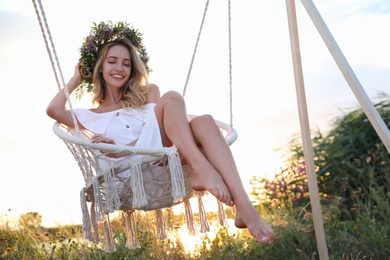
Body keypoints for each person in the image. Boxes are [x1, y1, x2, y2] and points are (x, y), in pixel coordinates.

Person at [46, 37, 274, 244]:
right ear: (100, 68)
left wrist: (123, 147)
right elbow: (54, 109)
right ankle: (203, 169)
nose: (119, 68)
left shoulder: (147, 94)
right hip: (137, 171)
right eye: (112, 61)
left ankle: (243, 205)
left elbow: (163, 126)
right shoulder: (90, 115)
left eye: (126, 63)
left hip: (165, 157)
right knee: (173, 98)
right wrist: (77, 77)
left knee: (204, 121)